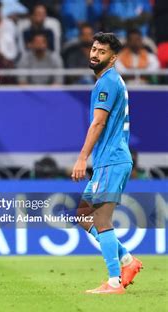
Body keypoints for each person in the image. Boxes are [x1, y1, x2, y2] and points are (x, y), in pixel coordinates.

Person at [71, 32, 142, 294]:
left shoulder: (107, 83)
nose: (94, 54)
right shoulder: (110, 81)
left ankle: (114, 282)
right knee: (82, 214)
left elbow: (98, 123)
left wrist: (81, 157)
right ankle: (126, 260)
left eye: (101, 52)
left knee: (102, 220)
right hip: (109, 161)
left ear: (112, 58)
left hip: (110, 161)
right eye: (93, 48)